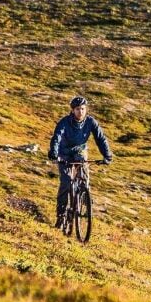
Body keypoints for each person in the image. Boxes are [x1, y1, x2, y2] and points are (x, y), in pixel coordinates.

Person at [47, 96, 113, 227]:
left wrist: (107, 155)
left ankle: (84, 196)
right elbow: (57, 137)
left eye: (83, 109)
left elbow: (101, 139)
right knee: (65, 182)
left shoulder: (91, 122)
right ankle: (61, 215)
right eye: (77, 109)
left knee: (83, 173)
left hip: (80, 151)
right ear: (72, 110)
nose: (80, 112)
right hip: (64, 152)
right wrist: (54, 153)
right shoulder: (64, 122)